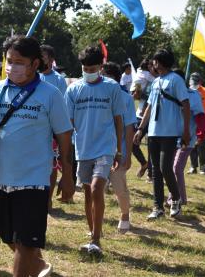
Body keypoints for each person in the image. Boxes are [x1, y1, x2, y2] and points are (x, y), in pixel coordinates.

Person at [0, 35, 74, 277]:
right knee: (7, 235)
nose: (12, 67)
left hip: (34, 180)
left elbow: (64, 137)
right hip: (1, 177)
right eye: (10, 61)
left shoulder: (50, 94)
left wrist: (68, 174)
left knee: (24, 242)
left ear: (35, 64)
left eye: (19, 62)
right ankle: (37, 265)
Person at [66, 47, 123, 255]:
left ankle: (97, 239)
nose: (87, 71)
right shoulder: (73, 90)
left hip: (105, 147)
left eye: (91, 68)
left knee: (98, 188)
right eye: (84, 68)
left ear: (100, 67)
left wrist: (119, 149)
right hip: (83, 148)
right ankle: (92, 232)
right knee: (88, 193)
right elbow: (68, 122)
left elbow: (118, 119)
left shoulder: (112, 88)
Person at [134, 49, 190, 220]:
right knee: (156, 171)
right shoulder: (156, 82)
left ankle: (176, 198)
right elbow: (149, 107)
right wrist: (141, 129)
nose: (152, 64)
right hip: (153, 132)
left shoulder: (175, 80)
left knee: (166, 167)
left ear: (162, 62)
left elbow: (185, 105)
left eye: (155, 61)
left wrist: (186, 131)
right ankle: (158, 207)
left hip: (170, 131)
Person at [101, 62, 135, 233]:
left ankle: (125, 214)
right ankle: (96, 222)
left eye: (105, 75)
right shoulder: (96, 95)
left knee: (119, 186)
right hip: (98, 150)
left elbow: (129, 128)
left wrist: (127, 154)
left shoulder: (126, 98)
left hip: (117, 151)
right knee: (96, 187)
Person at [167, 70, 205, 205]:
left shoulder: (194, 95)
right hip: (169, 136)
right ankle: (171, 197)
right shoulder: (168, 92)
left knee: (177, 168)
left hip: (187, 138)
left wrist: (201, 134)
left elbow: (201, 116)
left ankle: (181, 199)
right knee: (169, 168)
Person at [39, 44, 68, 208]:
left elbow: (62, 106)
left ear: (50, 59)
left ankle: (48, 198)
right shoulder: (32, 76)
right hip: (35, 128)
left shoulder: (58, 80)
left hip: (52, 130)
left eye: (43, 56)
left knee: (52, 165)